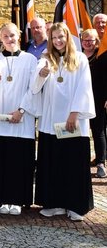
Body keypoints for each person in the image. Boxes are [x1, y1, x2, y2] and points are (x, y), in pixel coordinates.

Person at [33, 22, 95, 221]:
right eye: (54, 38)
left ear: (68, 38)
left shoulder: (80, 59)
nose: (58, 41)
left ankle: (75, 205)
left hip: (71, 121)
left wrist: (74, 113)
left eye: (61, 37)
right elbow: (34, 88)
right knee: (53, 162)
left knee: (72, 163)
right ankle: (54, 203)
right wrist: (41, 75)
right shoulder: (45, 59)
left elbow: (83, 88)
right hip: (51, 121)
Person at [0, 23, 37, 216]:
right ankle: (0, 199)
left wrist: (21, 110)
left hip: (21, 118)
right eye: (6, 36)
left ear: (20, 36)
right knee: (0, 159)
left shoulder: (30, 60)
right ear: (1, 38)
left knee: (18, 160)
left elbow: (34, 89)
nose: (10, 39)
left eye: (13, 35)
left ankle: (16, 199)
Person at [80, 28, 106, 178]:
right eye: (85, 40)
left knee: (98, 131)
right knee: (80, 132)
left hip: (98, 100)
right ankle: (81, 160)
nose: (88, 43)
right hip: (80, 100)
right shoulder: (76, 56)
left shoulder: (101, 56)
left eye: (92, 40)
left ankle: (100, 163)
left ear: (97, 41)